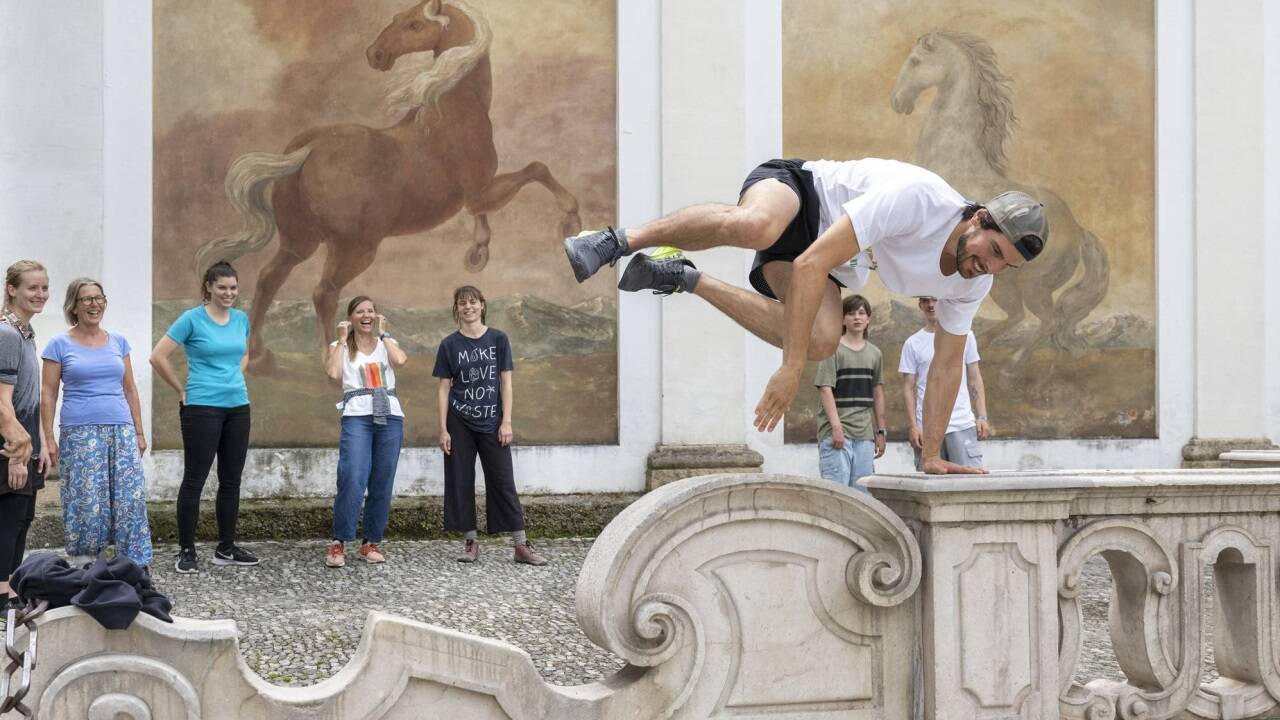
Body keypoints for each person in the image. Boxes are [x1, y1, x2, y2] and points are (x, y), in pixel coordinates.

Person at [564, 158, 1045, 474]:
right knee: (756, 225)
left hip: (833, 264)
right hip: (801, 193)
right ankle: (615, 240)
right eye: (994, 250)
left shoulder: (973, 281)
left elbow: (946, 365)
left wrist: (934, 454)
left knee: (820, 340)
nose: (992, 266)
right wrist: (789, 371)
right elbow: (810, 261)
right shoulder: (920, 199)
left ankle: (683, 277)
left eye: (1007, 265)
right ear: (979, 217)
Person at [150, 261, 258, 574]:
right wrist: (181, 389)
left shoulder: (241, 319)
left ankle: (225, 548)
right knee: (195, 479)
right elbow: (157, 356)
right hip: (201, 407)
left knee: (231, 480)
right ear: (208, 287)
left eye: (233, 288)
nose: (229, 293)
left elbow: (245, 353)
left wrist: (233, 376)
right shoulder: (191, 319)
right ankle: (186, 550)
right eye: (222, 287)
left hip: (238, 405)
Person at [41, 278, 153, 568]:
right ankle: (86, 563)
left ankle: (134, 565)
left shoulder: (119, 341)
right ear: (73, 307)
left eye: (99, 298)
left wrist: (139, 431)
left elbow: (130, 388)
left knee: (130, 499)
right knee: (87, 499)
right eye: (86, 299)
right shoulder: (58, 344)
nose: (94, 304)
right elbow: (48, 393)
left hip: (121, 428)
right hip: (79, 432)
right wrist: (48, 438)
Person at [432, 286, 546, 566]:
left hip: (493, 420)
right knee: (461, 480)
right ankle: (471, 542)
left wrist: (506, 421)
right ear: (456, 309)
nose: (468, 307)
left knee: (503, 480)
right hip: (459, 421)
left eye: (473, 302)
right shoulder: (449, 345)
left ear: (482, 306)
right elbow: (444, 389)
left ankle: (521, 545)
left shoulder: (498, 339)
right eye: (462, 303)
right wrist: (443, 429)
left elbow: (506, 382)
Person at [323, 296, 407, 568]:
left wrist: (385, 334)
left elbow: (401, 360)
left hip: (390, 413)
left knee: (383, 477)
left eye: (370, 311)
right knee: (352, 475)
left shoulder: (385, 343)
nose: (366, 315)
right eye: (360, 311)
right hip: (357, 414)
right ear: (351, 317)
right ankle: (339, 541)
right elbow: (334, 373)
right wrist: (341, 338)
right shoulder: (340, 346)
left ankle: (370, 541)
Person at [0, 260, 51, 609]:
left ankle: (12, 590)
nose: (41, 294)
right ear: (12, 290)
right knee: (8, 520)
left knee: (22, 519)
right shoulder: (6, 333)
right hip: (9, 444)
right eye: (33, 287)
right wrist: (17, 453)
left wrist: (42, 445)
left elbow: (31, 399)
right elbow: (2, 402)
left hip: (28, 441)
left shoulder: (25, 333)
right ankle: (4, 598)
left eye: (45, 287)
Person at [899, 296, 991, 471]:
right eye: (925, 301)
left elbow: (974, 377)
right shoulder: (912, 343)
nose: (931, 305)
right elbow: (908, 388)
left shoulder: (965, 336)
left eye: (935, 300)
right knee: (930, 487)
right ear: (920, 305)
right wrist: (913, 426)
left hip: (961, 423)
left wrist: (982, 416)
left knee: (970, 483)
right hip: (927, 429)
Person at [814, 294, 885, 490]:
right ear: (843, 319)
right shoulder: (833, 350)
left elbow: (877, 392)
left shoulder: (875, 354)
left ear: (868, 318)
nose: (857, 318)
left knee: (863, 495)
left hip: (864, 435)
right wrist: (836, 428)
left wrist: (880, 431)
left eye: (861, 313)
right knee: (837, 493)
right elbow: (825, 390)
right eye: (851, 313)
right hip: (837, 434)